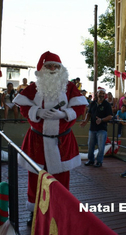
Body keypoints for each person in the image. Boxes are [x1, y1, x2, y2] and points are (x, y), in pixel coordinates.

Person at [13, 51, 87, 225]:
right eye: (49, 66)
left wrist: (64, 114)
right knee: (35, 178)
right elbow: (23, 107)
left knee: (62, 179)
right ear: (42, 68)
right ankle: (34, 212)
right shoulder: (33, 87)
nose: (53, 69)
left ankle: (61, 210)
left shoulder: (69, 87)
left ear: (61, 69)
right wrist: (37, 112)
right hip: (37, 141)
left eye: (56, 66)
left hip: (62, 141)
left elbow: (79, 108)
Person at [81, 88, 113, 167]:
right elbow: (89, 113)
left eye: (103, 93)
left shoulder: (107, 104)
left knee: (101, 146)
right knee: (90, 146)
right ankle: (91, 160)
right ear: (97, 94)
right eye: (100, 93)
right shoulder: (92, 103)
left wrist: (102, 120)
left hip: (102, 129)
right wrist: (85, 121)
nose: (102, 95)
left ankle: (99, 161)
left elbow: (110, 116)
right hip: (92, 128)